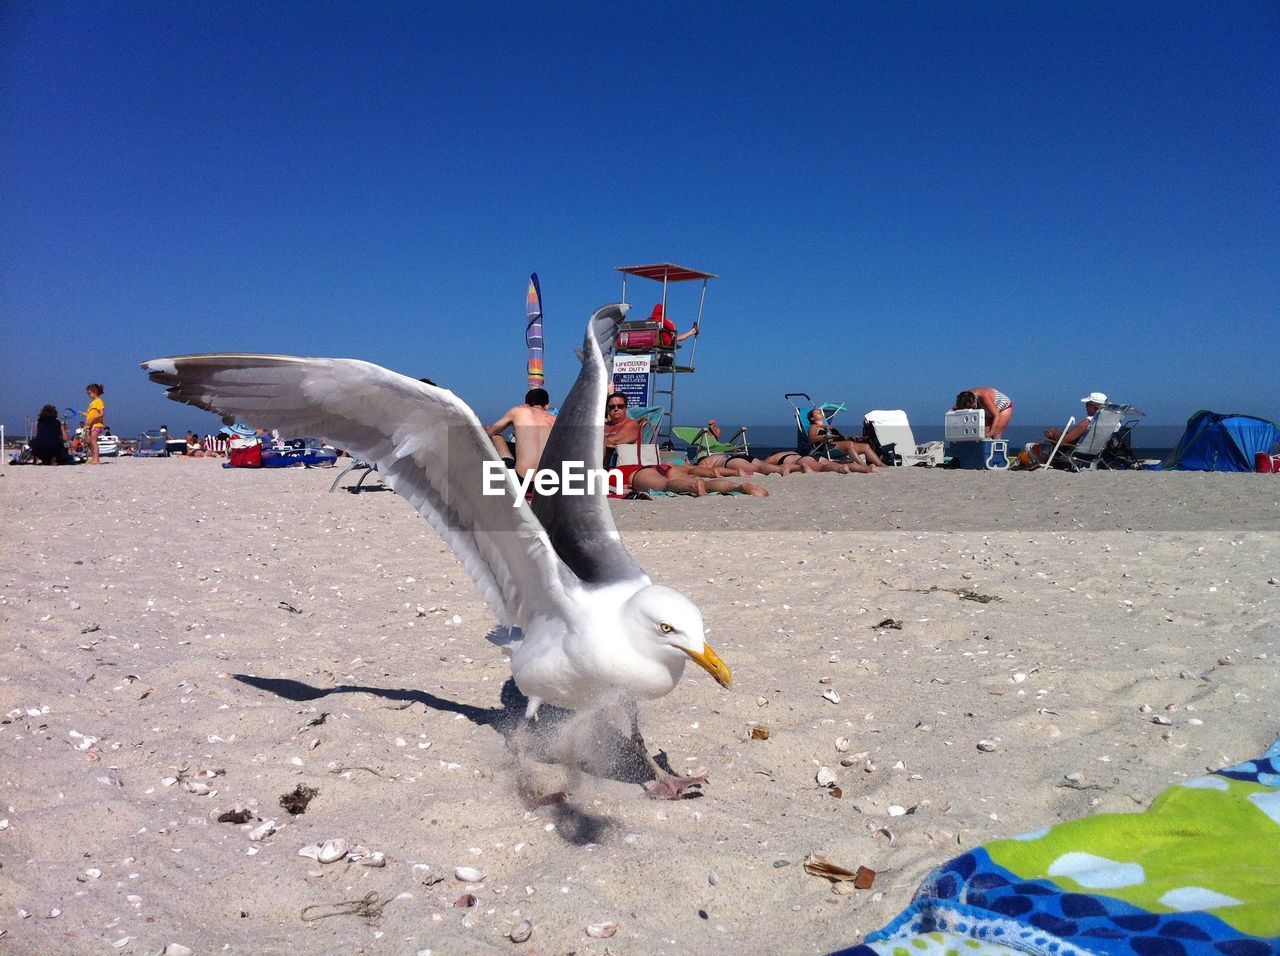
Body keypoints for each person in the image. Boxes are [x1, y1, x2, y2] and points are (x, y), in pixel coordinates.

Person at [1018, 391, 1108, 468]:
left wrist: (1053, 435)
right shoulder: (1111, 423)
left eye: (1088, 404)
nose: (1085, 406)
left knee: (1029, 446)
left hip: (1071, 452)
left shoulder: (1088, 421)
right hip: (1093, 454)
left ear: (1095, 407)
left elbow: (1063, 441)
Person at [486, 387, 557, 478]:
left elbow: (490, 432)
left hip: (521, 479)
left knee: (496, 436)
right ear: (547, 405)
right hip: (547, 479)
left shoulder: (517, 412)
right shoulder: (555, 420)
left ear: (526, 404)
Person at [629, 461, 769, 498]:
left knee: (665, 485)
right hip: (662, 468)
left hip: (640, 474)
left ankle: (693, 486)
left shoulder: (611, 473)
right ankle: (738, 487)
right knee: (706, 483)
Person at [806, 408, 883, 470]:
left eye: (820, 411)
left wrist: (851, 437)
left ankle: (881, 464)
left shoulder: (828, 427)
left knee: (865, 446)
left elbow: (840, 437)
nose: (820, 412)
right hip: (827, 448)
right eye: (817, 412)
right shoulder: (813, 427)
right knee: (849, 444)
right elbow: (811, 438)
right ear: (812, 418)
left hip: (839, 445)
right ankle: (863, 466)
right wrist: (825, 437)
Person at [603, 392, 644, 465]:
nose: (616, 409)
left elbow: (613, 441)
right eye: (612, 407)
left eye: (620, 406)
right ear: (607, 409)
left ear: (626, 408)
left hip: (619, 466)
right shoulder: (605, 425)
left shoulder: (631, 425)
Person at [83, 383, 105, 465]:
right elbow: (92, 413)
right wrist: (85, 414)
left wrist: (92, 418)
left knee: (93, 441)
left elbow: (102, 414)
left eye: (89, 393)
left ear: (95, 391)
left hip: (97, 424)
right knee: (88, 441)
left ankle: (97, 459)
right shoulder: (93, 402)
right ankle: (93, 458)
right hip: (90, 425)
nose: (89, 395)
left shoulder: (99, 401)